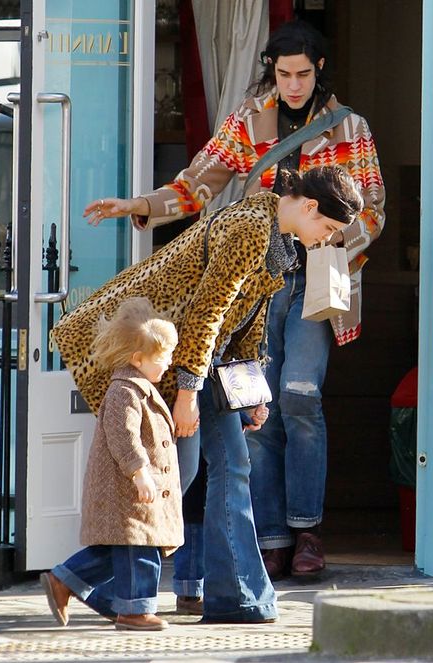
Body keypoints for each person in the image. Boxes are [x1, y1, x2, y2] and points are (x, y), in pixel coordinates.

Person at [83, 19, 385, 586]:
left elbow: (372, 208)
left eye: (302, 73)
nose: (292, 84)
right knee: (259, 403)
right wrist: (139, 204)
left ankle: (308, 529)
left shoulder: (350, 127)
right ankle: (270, 537)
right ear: (272, 71)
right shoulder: (250, 119)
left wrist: (327, 234)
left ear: (319, 69)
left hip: (317, 278)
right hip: (255, 274)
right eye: (282, 73)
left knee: (300, 395)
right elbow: (200, 180)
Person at [60, 166, 363, 623]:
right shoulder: (249, 227)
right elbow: (206, 316)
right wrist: (187, 393)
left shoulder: (278, 239)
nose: (325, 239)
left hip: (199, 366)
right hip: (169, 361)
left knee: (207, 474)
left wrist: (251, 396)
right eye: (328, 228)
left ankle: (222, 595)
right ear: (309, 206)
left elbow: (246, 326)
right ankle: (94, 580)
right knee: (185, 481)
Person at [41, 297, 182, 631]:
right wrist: (140, 473)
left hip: (134, 493)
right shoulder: (124, 391)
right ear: (138, 359)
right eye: (162, 358)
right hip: (128, 491)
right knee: (141, 550)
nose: (169, 363)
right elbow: (123, 437)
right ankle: (134, 610)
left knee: (122, 550)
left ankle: (65, 580)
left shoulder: (141, 386)